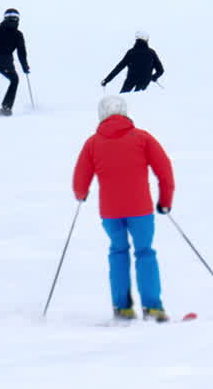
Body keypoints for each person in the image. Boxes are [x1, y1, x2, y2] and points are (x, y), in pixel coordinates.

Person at [72, 94, 175, 321]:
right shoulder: (143, 138)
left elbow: (80, 176)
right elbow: (164, 170)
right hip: (141, 209)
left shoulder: (92, 143)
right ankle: (153, 307)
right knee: (145, 252)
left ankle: (122, 307)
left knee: (118, 252)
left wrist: (81, 194)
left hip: (110, 212)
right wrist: (165, 201)